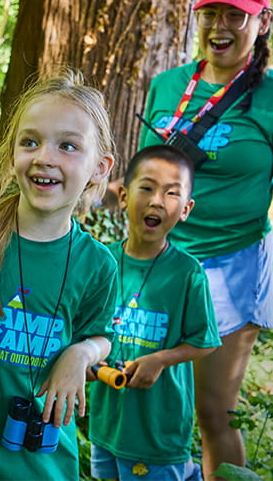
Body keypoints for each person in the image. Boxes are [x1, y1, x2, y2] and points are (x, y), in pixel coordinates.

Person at [134, 0, 273, 478]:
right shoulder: (167, 86)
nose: (221, 26)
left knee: (213, 411)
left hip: (230, 263)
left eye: (236, 16)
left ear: (262, 22)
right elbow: (145, 177)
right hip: (156, 262)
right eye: (212, 12)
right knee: (147, 397)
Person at [0, 70, 120, 479]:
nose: (45, 157)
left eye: (67, 146)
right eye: (30, 142)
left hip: (42, 464)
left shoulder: (97, 264)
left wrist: (81, 353)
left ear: (99, 167)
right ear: (11, 155)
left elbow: (100, 335)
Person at [88, 145, 220, 481]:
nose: (157, 201)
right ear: (122, 196)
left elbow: (205, 342)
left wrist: (160, 360)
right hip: (107, 425)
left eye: (171, 193)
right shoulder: (102, 263)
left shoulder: (186, 273)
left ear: (186, 209)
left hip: (158, 433)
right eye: (146, 188)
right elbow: (86, 329)